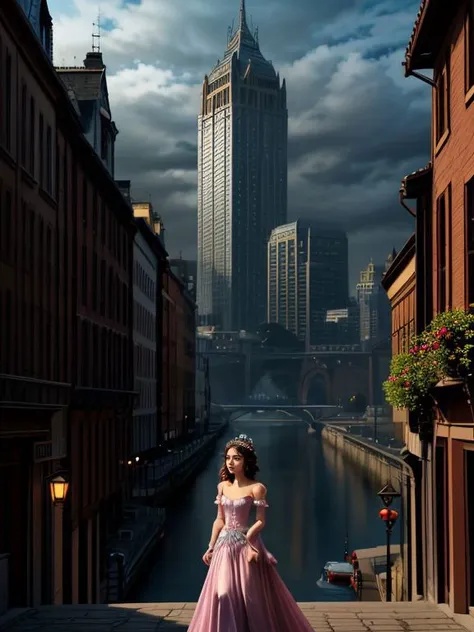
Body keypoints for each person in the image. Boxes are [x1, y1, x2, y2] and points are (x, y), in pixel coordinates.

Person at [187, 434, 315, 632]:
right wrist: (210, 546)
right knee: (223, 593)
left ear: (246, 461)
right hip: (224, 547)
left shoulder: (257, 488)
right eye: (228, 458)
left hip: (247, 547)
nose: (231, 462)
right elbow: (219, 519)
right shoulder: (222, 487)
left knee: (250, 598)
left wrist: (248, 541)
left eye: (236, 458)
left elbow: (261, 521)